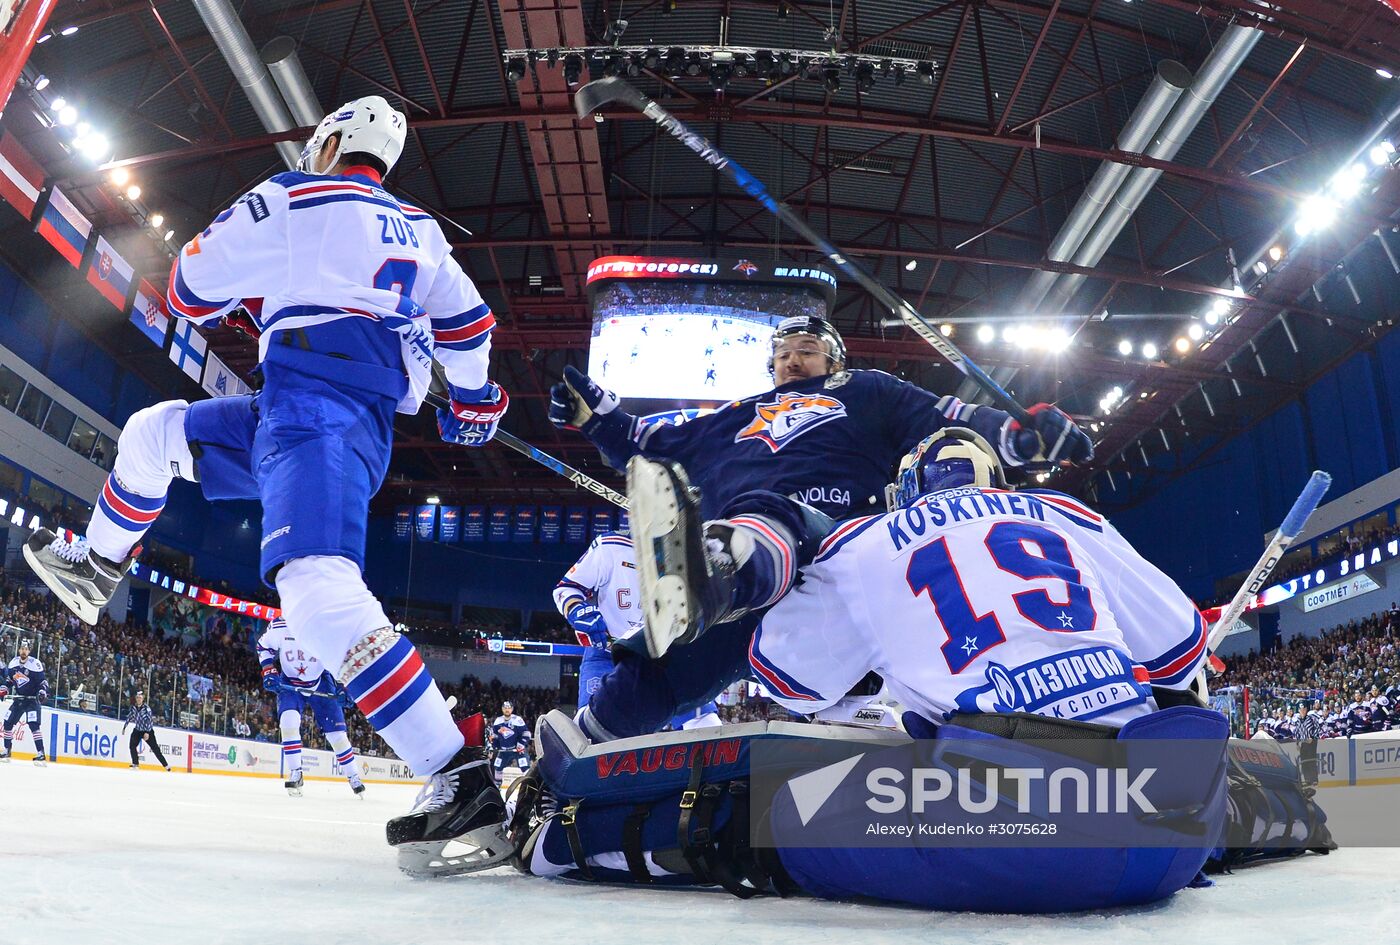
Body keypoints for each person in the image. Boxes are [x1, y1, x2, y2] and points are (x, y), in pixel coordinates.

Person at [503, 429, 1331, 909]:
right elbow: (1181, 651)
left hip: (1025, 824)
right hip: (1170, 826)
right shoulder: (1069, 514)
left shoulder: (869, 540)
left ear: (906, 491)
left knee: (769, 808)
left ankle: (563, 838)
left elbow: (790, 689)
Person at [21, 96, 511, 875]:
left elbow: (186, 287)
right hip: (308, 409)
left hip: (314, 412)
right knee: (154, 435)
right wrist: (479, 404)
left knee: (316, 591)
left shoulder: (292, 193)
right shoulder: (420, 230)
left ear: (331, 141)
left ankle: (459, 774)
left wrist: (256, 290)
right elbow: (469, 331)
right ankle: (96, 568)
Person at [548, 316, 1093, 742]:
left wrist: (1025, 437)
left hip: (838, 555)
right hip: (742, 588)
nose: (792, 361)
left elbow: (953, 421)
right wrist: (595, 417)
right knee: (662, 668)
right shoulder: (735, 414)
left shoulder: (866, 390)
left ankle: (715, 568)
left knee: (771, 516)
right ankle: (574, 759)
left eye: (806, 350)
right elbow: (650, 446)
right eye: (783, 355)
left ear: (834, 357)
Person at [552, 533, 720, 729]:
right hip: (607, 654)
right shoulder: (609, 546)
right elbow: (567, 588)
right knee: (589, 732)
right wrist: (577, 609)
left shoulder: (691, 553)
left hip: (667, 658)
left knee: (707, 727)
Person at [258, 617, 364, 798]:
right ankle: (295, 772)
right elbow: (263, 647)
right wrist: (269, 670)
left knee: (337, 735)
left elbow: (342, 661)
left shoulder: (329, 629)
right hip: (290, 681)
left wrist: (343, 686)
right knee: (288, 722)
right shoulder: (280, 625)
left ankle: (353, 775)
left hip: (321, 682)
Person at [0, 639, 48, 765]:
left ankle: (41, 753)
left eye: (26, 649)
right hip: (19, 699)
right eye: (22, 648)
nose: (23, 651)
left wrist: (42, 692)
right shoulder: (13, 663)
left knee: (33, 725)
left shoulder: (35, 664)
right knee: (7, 722)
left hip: (32, 701)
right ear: (19, 649)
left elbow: (42, 682)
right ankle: (7, 750)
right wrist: (4, 689)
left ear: (29, 650)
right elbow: (10, 680)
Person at [122, 691, 171, 771]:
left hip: (147, 730)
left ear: (143, 699)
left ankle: (166, 765)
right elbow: (130, 717)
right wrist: (124, 727)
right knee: (132, 745)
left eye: (140, 698)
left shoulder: (146, 708)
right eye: (137, 698)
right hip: (137, 730)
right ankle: (135, 764)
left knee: (155, 748)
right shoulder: (133, 708)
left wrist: (147, 732)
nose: (138, 699)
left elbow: (150, 721)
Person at [490, 701, 531, 787]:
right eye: (505, 708)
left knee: (525, 768)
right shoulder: (498, 721)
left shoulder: (517, 720)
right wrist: (494, 744)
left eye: (509, 708)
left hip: (517, 750)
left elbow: (526, 733)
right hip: (503, 750)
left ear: (512, 709)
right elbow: (494, 736)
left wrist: (521, 744)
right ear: (502, 709)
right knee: (497, 768)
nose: (507, 710)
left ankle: (529, 787)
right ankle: (497, 788)